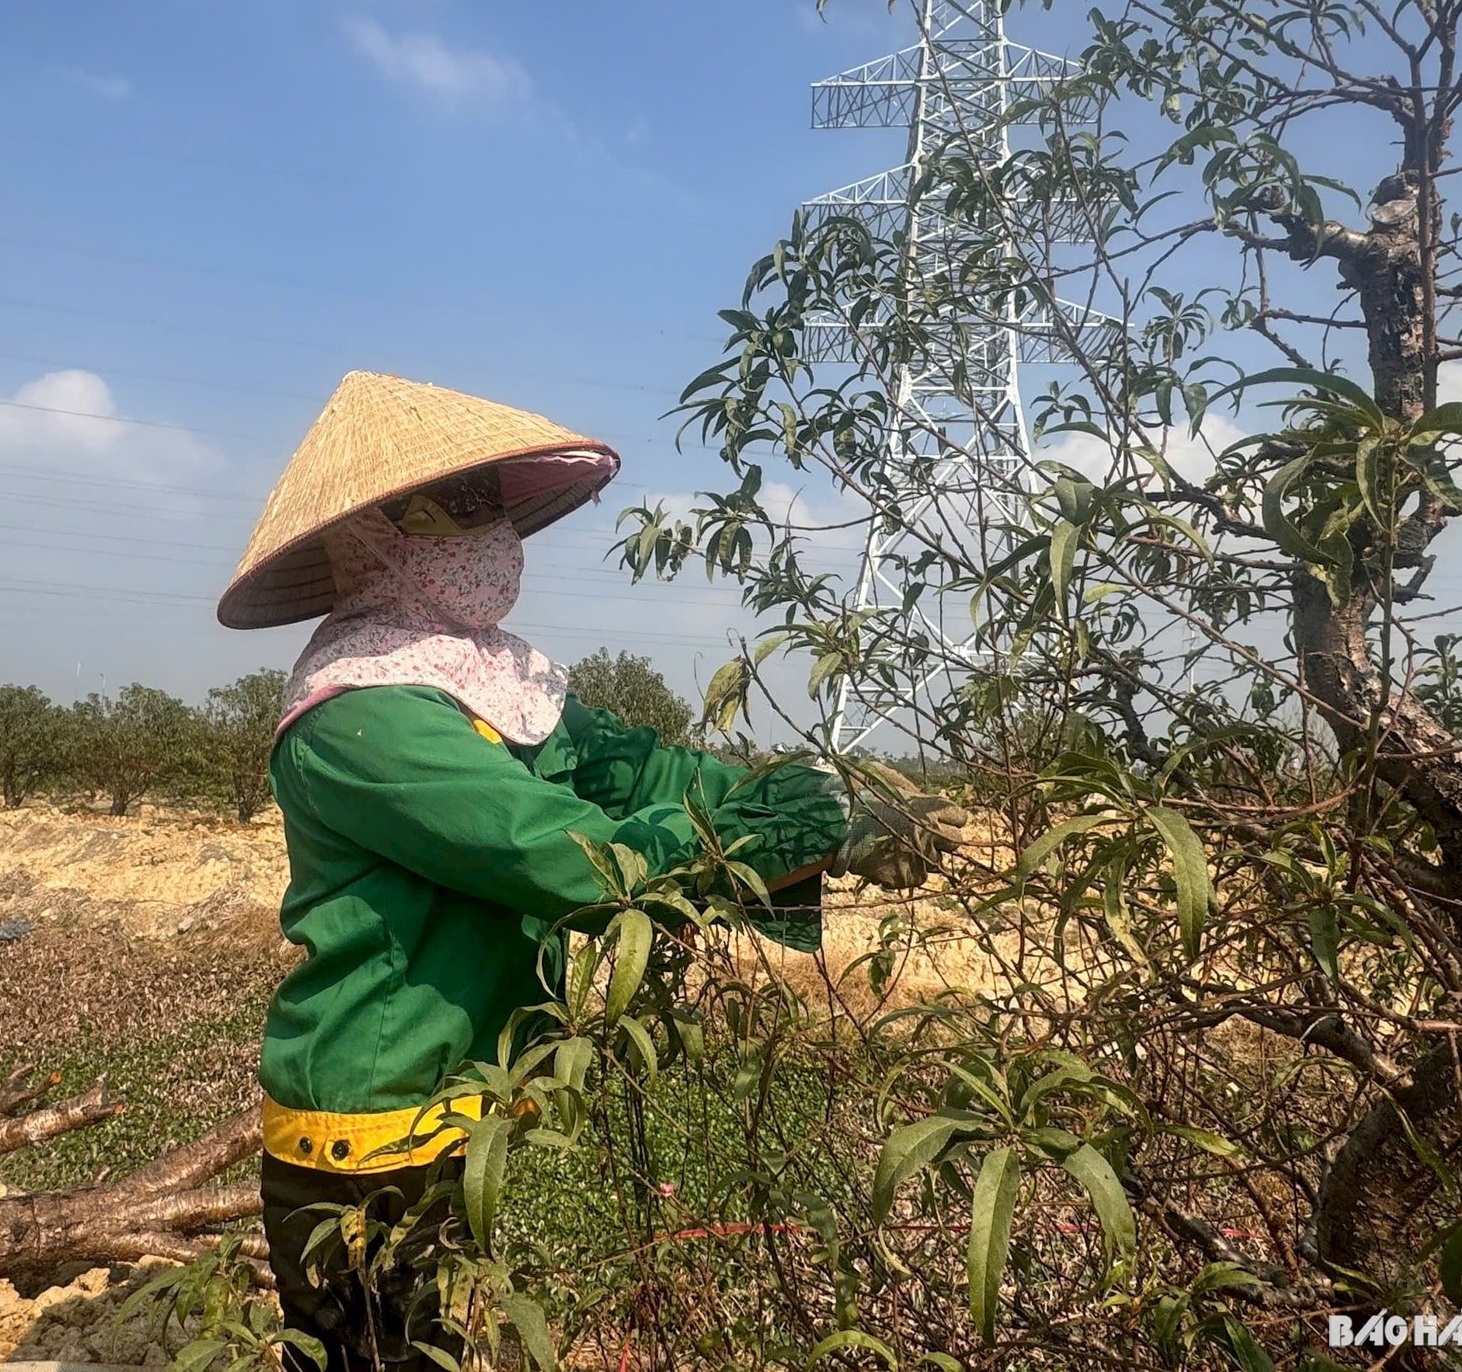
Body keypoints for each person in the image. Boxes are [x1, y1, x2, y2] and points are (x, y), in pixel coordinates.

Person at [217, 372, 966, 1370]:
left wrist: (816, 798)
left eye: (491, 505)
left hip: (462, 1096)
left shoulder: (486, 679)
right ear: (376, 536)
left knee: (448, 1334)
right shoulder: (363, 714)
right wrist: (797, 833)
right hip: (371, 1115)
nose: (493, 536)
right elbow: (567, 859)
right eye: (455, 508)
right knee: (381, 1354)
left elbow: (645, 771)